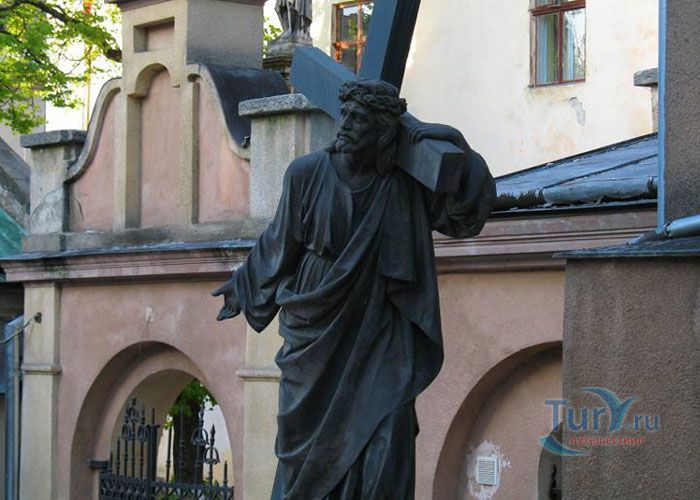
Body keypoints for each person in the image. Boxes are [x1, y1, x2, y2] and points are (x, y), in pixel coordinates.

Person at [213, 79, 495, 499]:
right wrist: (245, 283)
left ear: (383, 131)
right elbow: (280, 241)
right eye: (345, 115)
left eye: (358, 119)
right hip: (318, 329)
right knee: (306, 451)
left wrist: (454, 140)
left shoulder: (405, 184)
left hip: (382, 326)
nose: (345, 125)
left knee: (389, 433)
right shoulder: (307, 173)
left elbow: (469, 211)